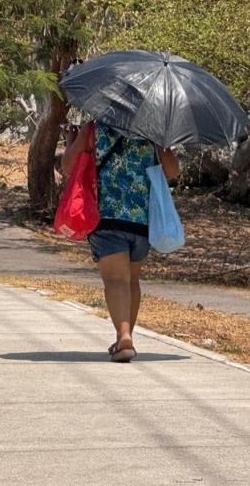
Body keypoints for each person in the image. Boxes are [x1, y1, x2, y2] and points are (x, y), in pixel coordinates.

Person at [61, 120, 180, 363]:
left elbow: (67, 166)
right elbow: (172, 172)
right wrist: (161, 142)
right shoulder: (153, 130)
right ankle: (123, 338)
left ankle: (124, 336)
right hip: (142, 222)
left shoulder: (94, 129)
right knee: (131, 280)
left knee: (115, 280)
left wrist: (71, 141)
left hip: (106, 219)